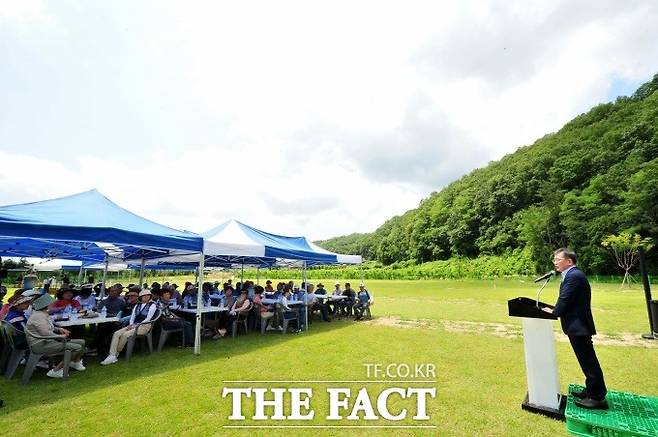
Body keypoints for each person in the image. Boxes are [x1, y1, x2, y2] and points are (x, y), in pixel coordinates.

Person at [547, 248, 608, 410]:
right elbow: (567, 299)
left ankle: (597, 397)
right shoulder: (572, 275)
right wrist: (554, 309)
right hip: (577, 325)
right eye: (554, 259)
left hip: (578, 326)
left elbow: (565, 299)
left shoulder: (573, 276)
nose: (555, 262)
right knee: (586, 360)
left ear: (569, 261)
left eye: (558, 259)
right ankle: (591, 389)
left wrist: (554, 312)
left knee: (588, 361)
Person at [25, 293, 86, 378]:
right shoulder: (38, 316)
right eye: (50, 303)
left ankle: (74, 362)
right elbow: (45, 333)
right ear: (45, 304)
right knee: (77, 347)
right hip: (40, 345)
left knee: (82, 342)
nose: (52, 304)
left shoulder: (42, 313)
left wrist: (60, 329)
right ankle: (56, 370)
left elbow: (48, 327)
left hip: (47, 342)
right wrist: (60, 337)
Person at [100, 289, 158, 365]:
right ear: (140, 297)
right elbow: (133, 316)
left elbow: (148, 318)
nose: (146, 297)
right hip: (134, 325)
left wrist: (136, 325)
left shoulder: (152, 305)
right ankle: (112, 354)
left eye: (148, 295)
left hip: (144, 326)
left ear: (150, 296)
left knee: (125, 335)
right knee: (116, 333)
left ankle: (116, 353)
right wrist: (131, 324)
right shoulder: (138, 305)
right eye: (144, 296)